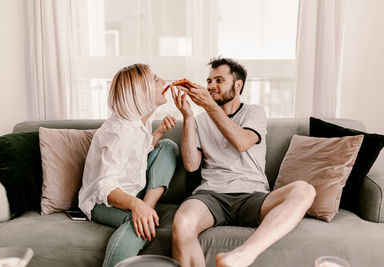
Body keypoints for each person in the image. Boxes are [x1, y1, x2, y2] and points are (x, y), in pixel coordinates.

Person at [170, 57, 316, 267]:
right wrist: (188, 117)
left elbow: (241, 142)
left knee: (304, 190)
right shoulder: (200, 120)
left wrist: (209, 106)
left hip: (252, 196)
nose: (211, 86)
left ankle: (242, 255)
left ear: (238, 85)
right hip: (211, 195)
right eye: (209, 81)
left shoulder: (254, 112)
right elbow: (191, 165)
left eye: (219, 80)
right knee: (183, 222)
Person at [78, 64, 179, 267]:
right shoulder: (119, 132)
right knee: (140, 225)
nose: (162, 81)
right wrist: (135, 205)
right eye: (155, 79)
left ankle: (147, 206)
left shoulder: (140, 122)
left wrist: (158, 134)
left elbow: (137, 156)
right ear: (140, 93)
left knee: (167, 146)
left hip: (131, 191)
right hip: (102, 202)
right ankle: (143, 211)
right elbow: (104, 186)